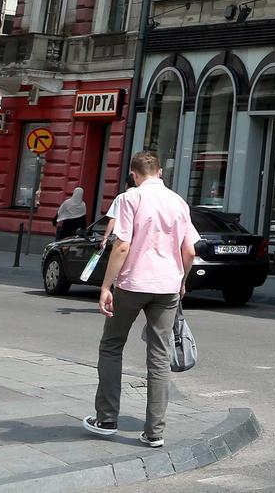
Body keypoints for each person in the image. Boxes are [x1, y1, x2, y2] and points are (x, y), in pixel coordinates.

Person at [83, 152, 199, 447]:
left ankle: (107, 418)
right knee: (159, 357)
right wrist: (182, 281)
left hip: (133, 283)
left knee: (112, 345)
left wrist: (106, 286)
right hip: (167, 287)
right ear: (159, 172)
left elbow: (122, 245)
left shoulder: (130, 198)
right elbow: (189, 252)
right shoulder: (178, 202)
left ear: (134, 174)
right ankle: (154, 432)